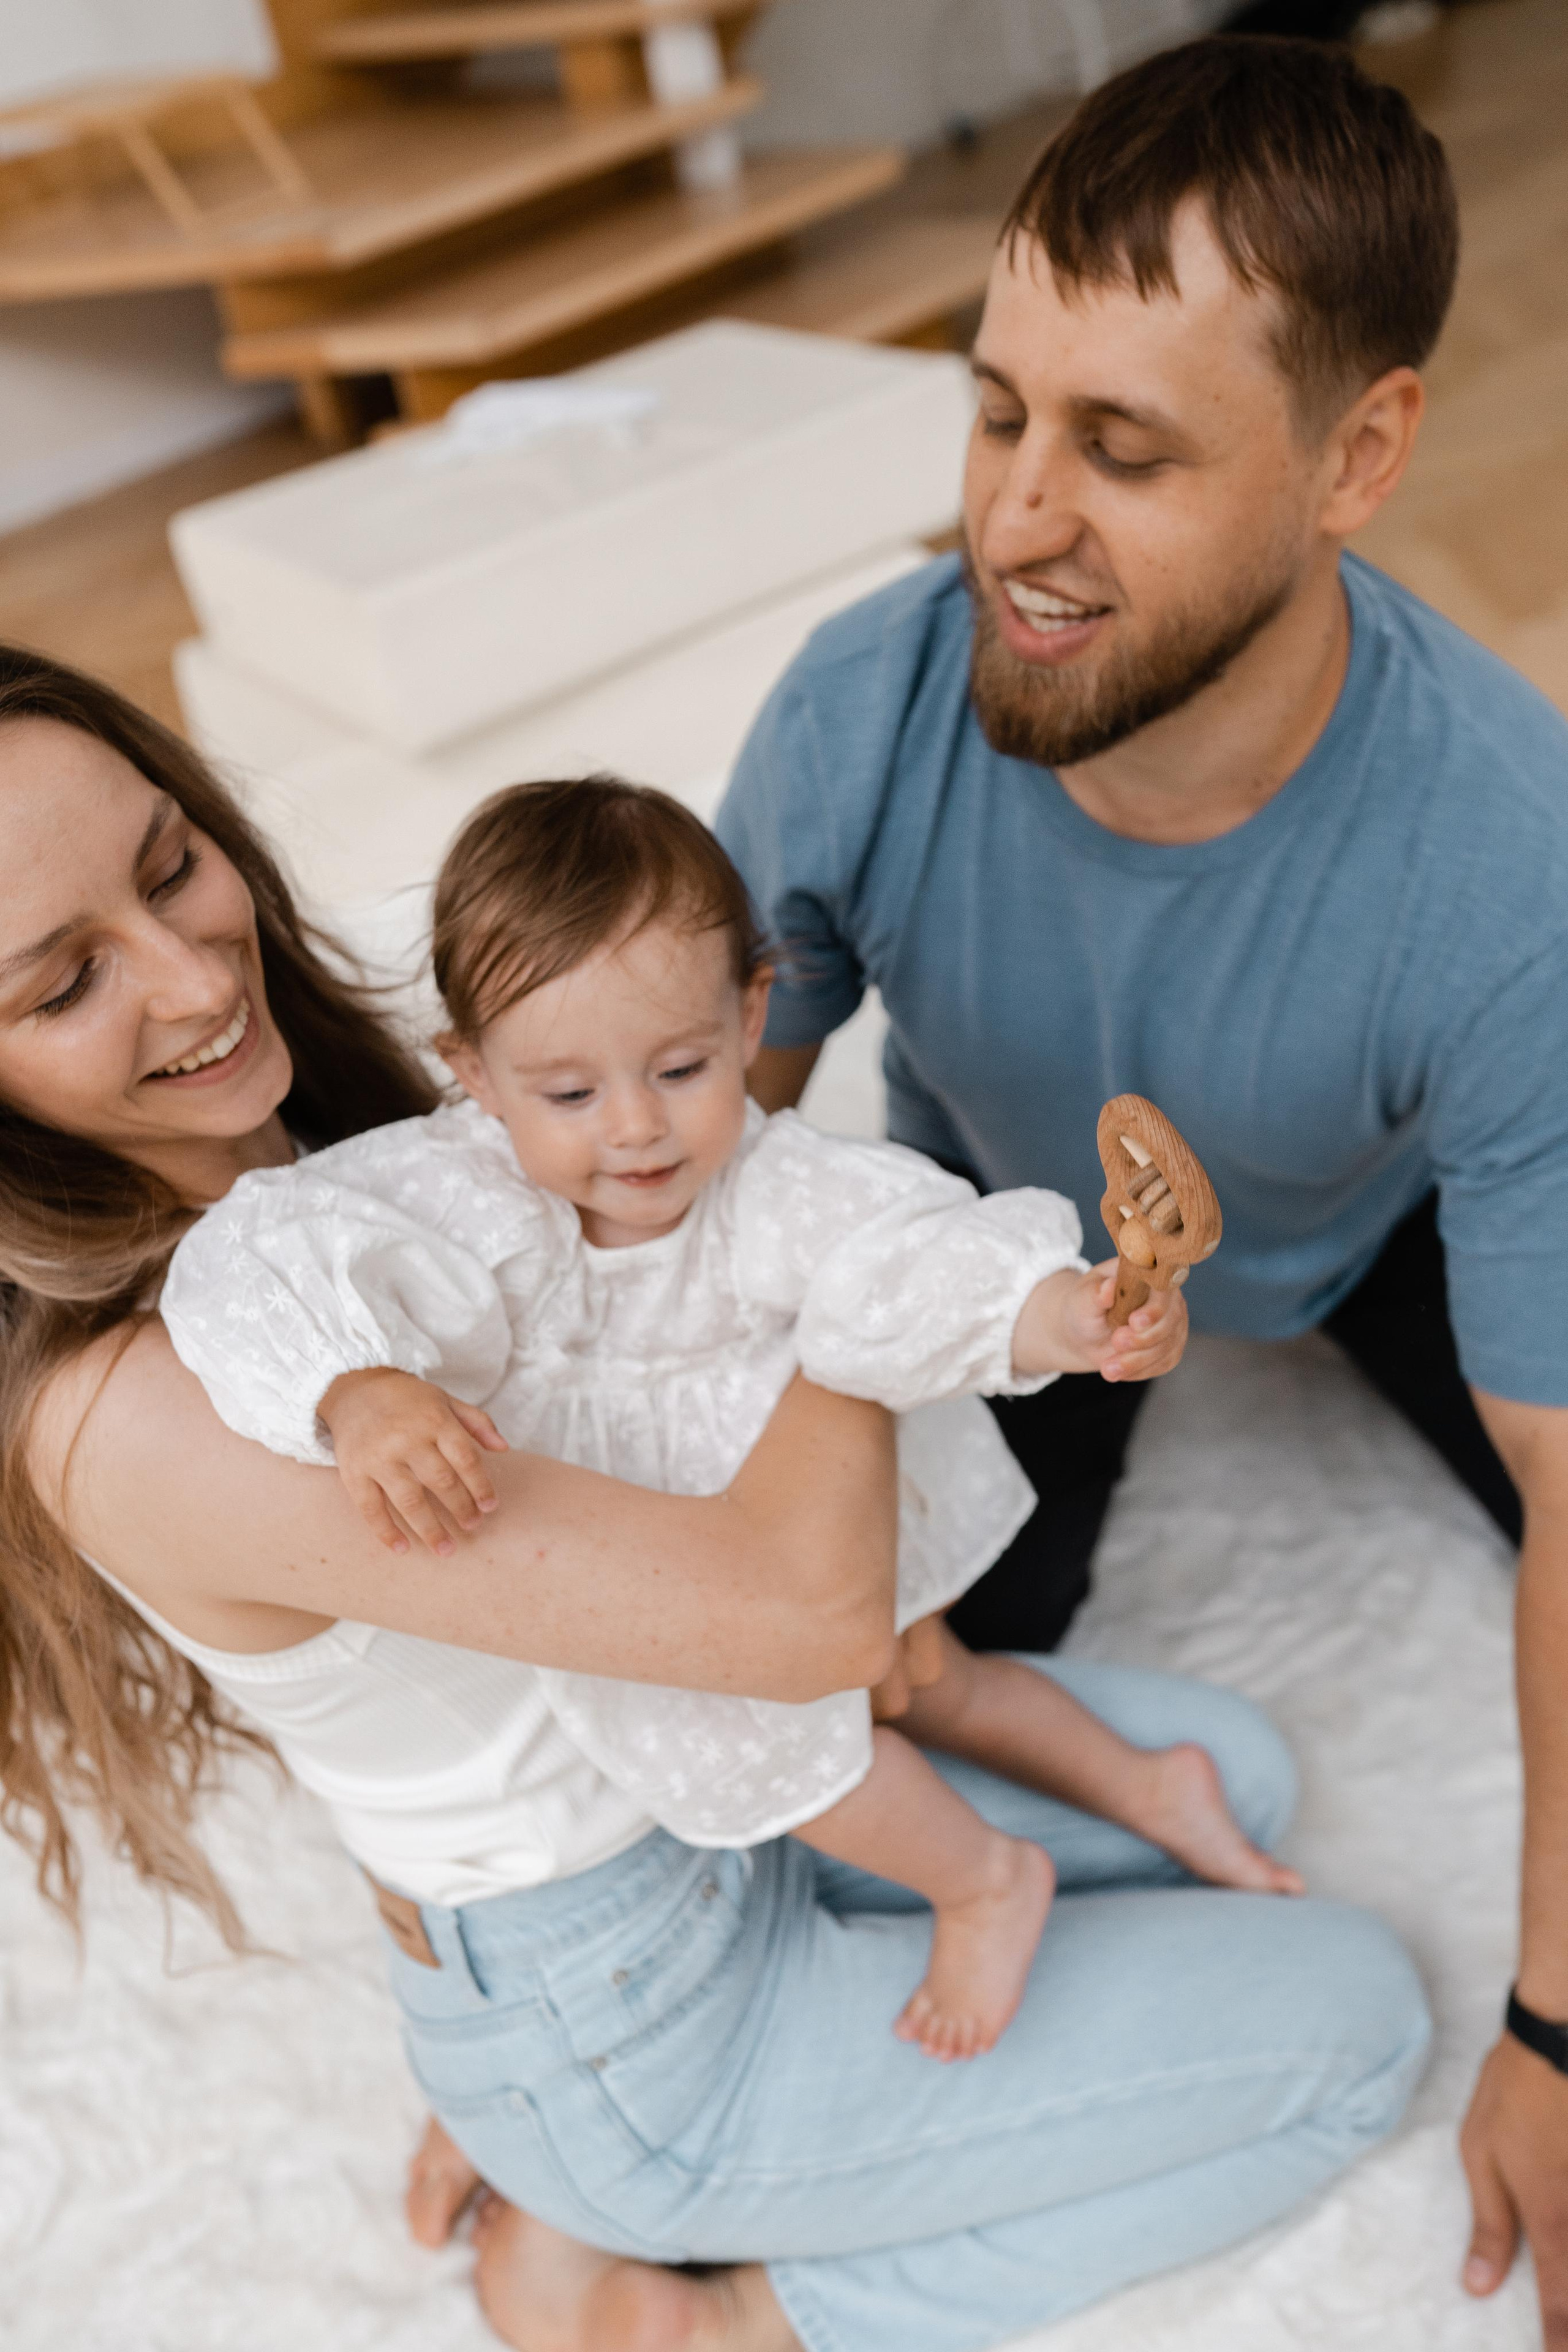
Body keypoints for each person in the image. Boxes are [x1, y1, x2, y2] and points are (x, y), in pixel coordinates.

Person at [0, 641, 1428, 2351]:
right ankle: (708, 2307)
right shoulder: (153, 1402)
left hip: (705, 1801)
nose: (188, 977)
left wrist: (936, 1270)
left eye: (170, 866)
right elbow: (803, 1610)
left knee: (1241, 1777)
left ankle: (560, 2140)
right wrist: (819, 1266)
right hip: (631, 1988)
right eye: (62, 981)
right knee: (1359, 2029)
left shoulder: (351, 1149)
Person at [714, 31, 1568, 2344]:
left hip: (1369, 1218)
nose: (1010, 519)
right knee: (892, 1684)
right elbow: (664, 1222)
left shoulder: (1510, 867)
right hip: (993, 1225)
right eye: (999, 412)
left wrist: (1564, 2032)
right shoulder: (859, 717)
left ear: (1360, 453)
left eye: (1124, 447)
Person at [160, 774, 1300, 2067]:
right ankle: (1141, 1791)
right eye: (570, 1096)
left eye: (683, 1067)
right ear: (471, 1075)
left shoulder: (774, 1186)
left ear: (751, 1012)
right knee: (886, 1701)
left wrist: (1068, 1311)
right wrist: (357, 1385)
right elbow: (264, 1249)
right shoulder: (448, 1189)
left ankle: (988, 1874)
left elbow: (912, 1263)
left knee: (877, 1712)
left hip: (806, 1517)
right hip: (664, 1550)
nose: (638, 1129)